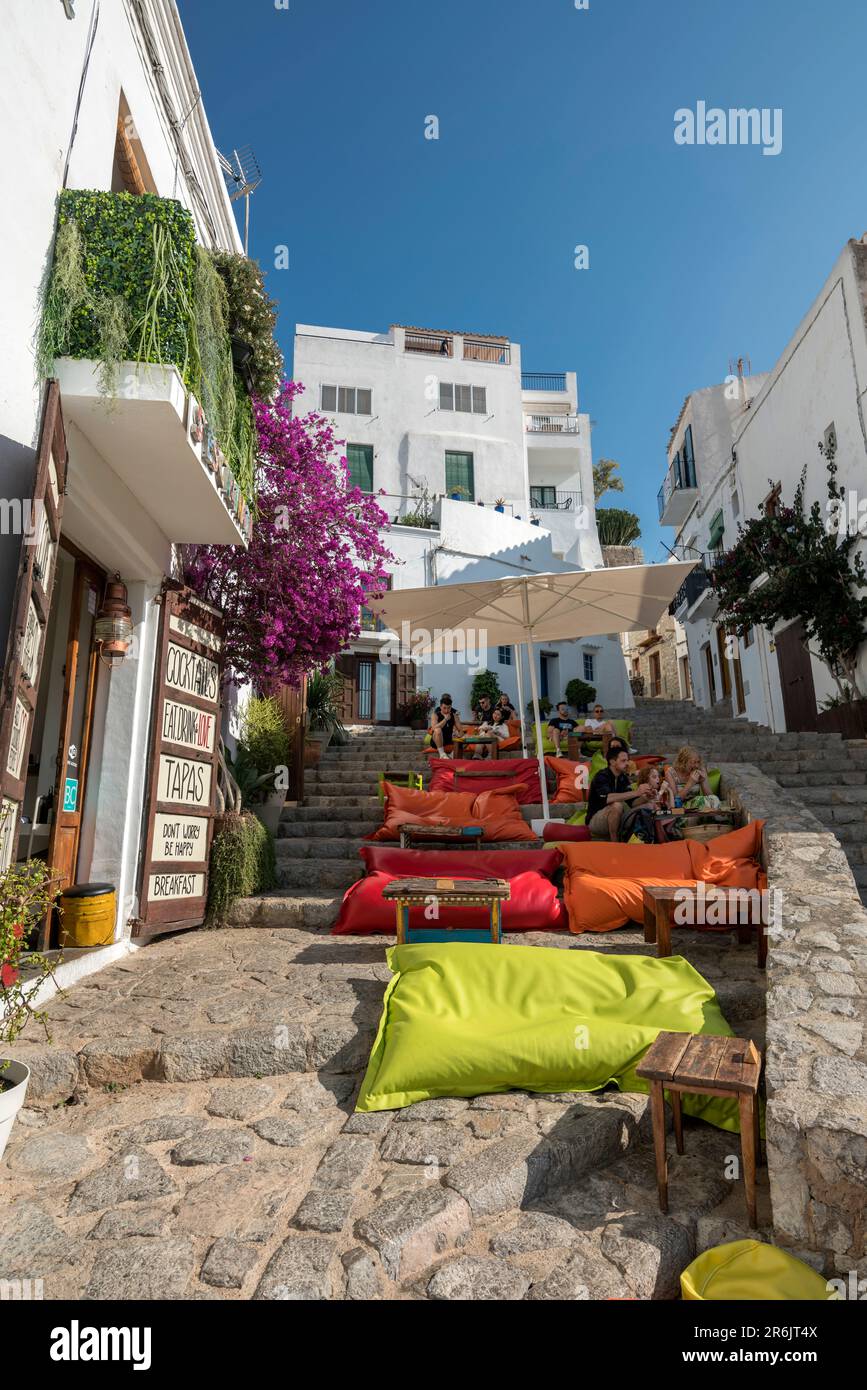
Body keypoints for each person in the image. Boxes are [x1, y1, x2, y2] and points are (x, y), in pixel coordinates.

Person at [587, 747, 652, 841]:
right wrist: (637, 792)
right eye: (623, 761)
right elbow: (607, 798)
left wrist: (646, 797)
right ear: (612, 762)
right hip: (596, 821)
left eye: (627, 760)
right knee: (617, 805)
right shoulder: (601, 776)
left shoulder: (623, 778)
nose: (627, 763)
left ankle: (646, 838)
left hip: (617, 817)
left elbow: (633, 803)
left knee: (649, 806)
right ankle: (615, 842)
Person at [429, 694, 464, 759]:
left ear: (451, 707)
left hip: (449, 739)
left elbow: (461, 730)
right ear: (440, 707)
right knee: (438, 730)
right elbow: (433, 728)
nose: (447, 710)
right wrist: (445, 719)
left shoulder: (454, 715)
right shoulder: (435, 714)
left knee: (464, 737)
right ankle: (442, 754)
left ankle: (451, 755)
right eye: (444, 708)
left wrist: (459, 734)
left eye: (449, 708)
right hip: (437, 739)